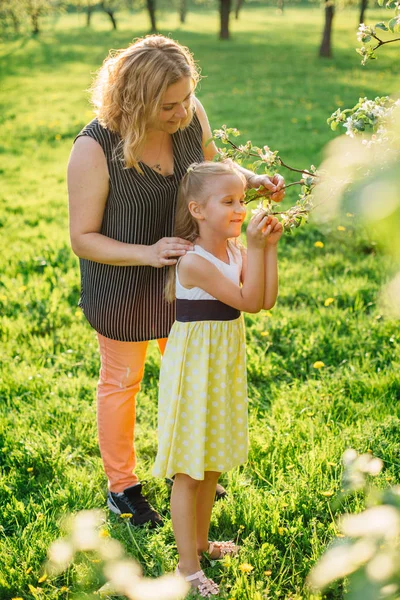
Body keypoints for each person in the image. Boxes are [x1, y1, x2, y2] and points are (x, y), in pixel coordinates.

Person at [67, 34, 285, 528]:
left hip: (189, 275)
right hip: (121, 282)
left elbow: (214, 168)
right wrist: (146, 253)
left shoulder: (190, 115)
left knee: (185, 376)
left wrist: (250, 180)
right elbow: (83, 238)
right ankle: (122, 487)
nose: (183, 111)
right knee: (123, 382)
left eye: (188, 97)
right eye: (169, 104)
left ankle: (182, 468)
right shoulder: (94, 146)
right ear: (136, 100)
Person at [153, 161, 283, 596]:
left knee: (209, 465)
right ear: (197, 210)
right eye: (228, 202)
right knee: (189, 471)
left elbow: (264, 301)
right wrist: (253, 246)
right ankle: (187, 567)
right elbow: (247, 300)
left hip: (221, 367)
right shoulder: (193, 261)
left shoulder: (233, 252)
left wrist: (267, 249)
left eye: (241, 201)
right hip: (195, 371)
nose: (239, 209)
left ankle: (203, 544)